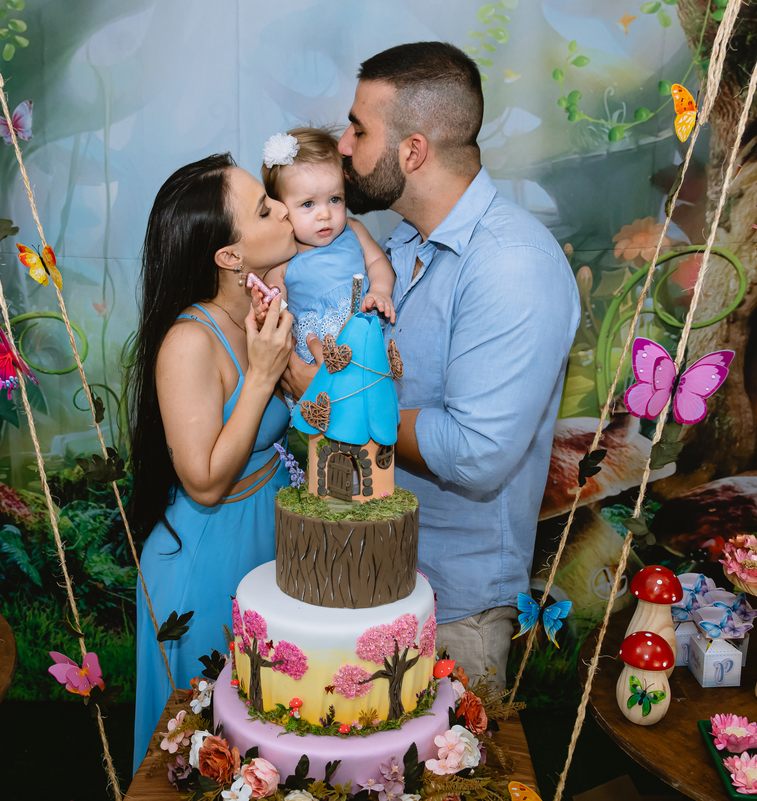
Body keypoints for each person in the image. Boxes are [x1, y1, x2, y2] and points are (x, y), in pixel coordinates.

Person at [283, 42, 579, 688]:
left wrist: (342, 407)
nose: (342, 144)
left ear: (412, 151)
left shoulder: (509, 264)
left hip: (454, 611)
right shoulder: (401, 246)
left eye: (360, 129)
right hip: (377, 573)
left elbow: (475, 450)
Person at [127, 154, 296, 769]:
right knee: (207, 751)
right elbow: (201, 481)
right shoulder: (190, 341)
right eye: (263, 208)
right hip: (205, 560)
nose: (283, 208)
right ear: (229, 256)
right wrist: (261, 374)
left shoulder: (254, 307)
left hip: (258, 538)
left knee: (267, 740)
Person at [257, 125, 396, 369]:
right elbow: (275, 302)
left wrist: (381, 290)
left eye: (335, 199)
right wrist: (270, 311)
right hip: (317, 352)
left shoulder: (353, 229)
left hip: (366, 334)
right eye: (308, 204)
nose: (324, 214)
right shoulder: (283, 255)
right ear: (281, 207)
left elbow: (377, 262)